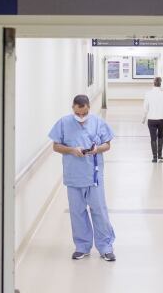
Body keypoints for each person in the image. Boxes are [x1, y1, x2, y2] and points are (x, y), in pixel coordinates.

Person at [48, 94, 117, 262]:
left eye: (84, 113)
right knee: (77, 212)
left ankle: (106, 247)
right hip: (73, 176)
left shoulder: (97, 122)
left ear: (88, 108)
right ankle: (82, 246)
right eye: (78, 113)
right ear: (73, 108)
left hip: (93, 175)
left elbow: (107, 145)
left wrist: (96, 149)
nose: (81, 117)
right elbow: (55, 146)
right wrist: (72, 150)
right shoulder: (63, 123)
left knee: (99, 211)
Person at [142, 76, 163, 163]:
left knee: (153, 138)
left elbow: (145, 108)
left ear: (153, 84)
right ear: (160, 84)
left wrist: (143, 118)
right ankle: (160, 156)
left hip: (151, 119)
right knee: (160, 136)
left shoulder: (148, 94)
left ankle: (154, 157)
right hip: (162, 119)